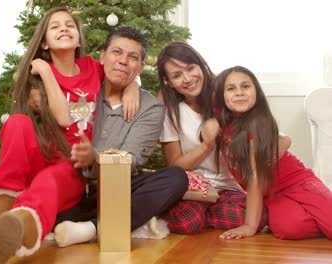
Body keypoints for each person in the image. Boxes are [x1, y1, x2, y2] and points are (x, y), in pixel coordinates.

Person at [0, 7, 138, 263]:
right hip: (40, 156)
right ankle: (0, 222)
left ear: (78, 38)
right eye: (55, 26)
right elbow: (61, 118)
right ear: (44, 42)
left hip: (70, 166)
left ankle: (17, 227)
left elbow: (119, 72)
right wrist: (45, 72)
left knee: (48, 182)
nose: (64, 28)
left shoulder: (91, 68)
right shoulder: (35, 80)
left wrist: (132, 89)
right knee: (17, 123)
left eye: (69, 25)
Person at [52, 26, 189, 247]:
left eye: (132, 57)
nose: (123, 61)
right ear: (102, 57)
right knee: (51, 206)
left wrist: (94, 158)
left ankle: (92, 229)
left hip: (118, 189)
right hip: (73, 187)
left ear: (141, 67)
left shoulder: (151, 108)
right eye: (117, 52)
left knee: (176, 177)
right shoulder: (81, 89)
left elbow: (130, 161)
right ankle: (114, 221)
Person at [157, 42, 271, 235]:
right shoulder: (170, 109)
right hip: (194, 188)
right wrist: (207, 145)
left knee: (259, 217)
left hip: (230, 189)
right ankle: (198, 215)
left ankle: (203, 216)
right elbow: (175, 165)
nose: (187, 79)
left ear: (201, 65)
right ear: (168, 82)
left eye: (191, 68)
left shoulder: (227, 95)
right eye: (177, 75)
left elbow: (267, 136)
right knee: (187, 223)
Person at [213, 65, 332, 240]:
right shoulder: (222, 122)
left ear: (257, 92)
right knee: (286, 229)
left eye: (245, 86)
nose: (239, 92)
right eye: (231, 88)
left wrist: (249, 226)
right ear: (220, 97)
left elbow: (255, 179)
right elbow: (204, 83)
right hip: (273, 195)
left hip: (299, 183)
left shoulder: (258, 125)